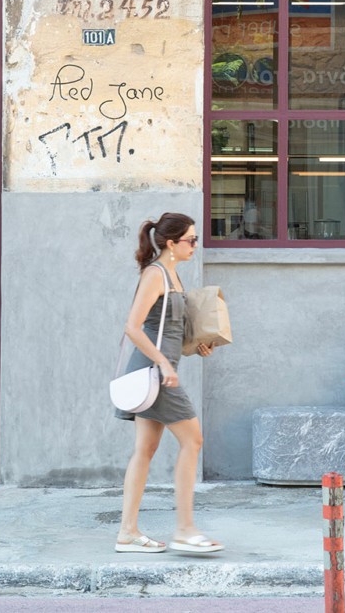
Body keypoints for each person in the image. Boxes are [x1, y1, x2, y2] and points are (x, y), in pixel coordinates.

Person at [114, 213, 222, 555]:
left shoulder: (173, 274)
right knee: (193, 440)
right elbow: (133, 327)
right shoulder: (155, 274)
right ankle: (185, 530)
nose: (195, 245)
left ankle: (127, 533)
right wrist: (162, 362)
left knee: (144, 450)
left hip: (160, 370)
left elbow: (171, 330)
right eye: (191, 239)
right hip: (154, 372)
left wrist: (196, 345)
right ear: (172, 243)